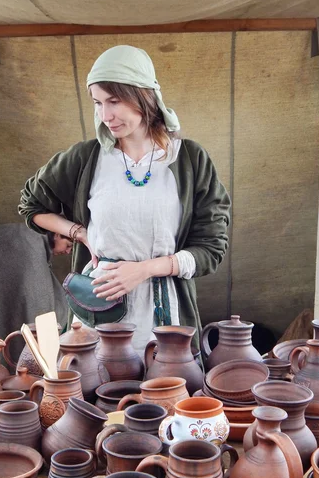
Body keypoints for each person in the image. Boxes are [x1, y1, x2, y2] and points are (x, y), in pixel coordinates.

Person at [18, 45, 231, 356]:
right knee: (92, 395)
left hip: (165, 317)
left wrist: (144, 269)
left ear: (143, 96)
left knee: (166, 398)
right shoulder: (86, 157)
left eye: (114, 101)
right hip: (97, 313)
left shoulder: (189, 160)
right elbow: (31, 205)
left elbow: (212, 249)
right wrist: (81, 233)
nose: (106, 116)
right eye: (98, 103)